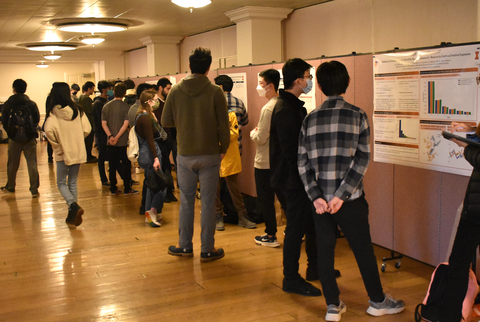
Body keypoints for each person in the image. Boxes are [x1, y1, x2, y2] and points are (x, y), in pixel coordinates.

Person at [298, 60, 405, 321]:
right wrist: (341, 195)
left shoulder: (309, 120)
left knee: (324, 252)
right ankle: (377, 301)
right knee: (362, 249)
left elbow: (302, 163)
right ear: (346, 83)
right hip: (350, 199)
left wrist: (317, 197)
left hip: (321, 202)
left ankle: (333, 306)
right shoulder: (358, 115)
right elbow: (362, 160)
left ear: (320, 86)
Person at [162, 47, 230, 262]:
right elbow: (223, 126)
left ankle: (184, 245)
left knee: (186, 201)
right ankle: (208, 249)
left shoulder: (175, 90)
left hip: (185, 154)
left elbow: (165, 121)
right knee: (209, 202)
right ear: (209, 67)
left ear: (189, 66)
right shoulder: (215, 91)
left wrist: (183, 121)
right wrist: (223, 149)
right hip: (210, 154)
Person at [269, 58, 320, 297]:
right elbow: (292, 153)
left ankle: (314, 268)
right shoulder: (285, 110)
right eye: (308, 77)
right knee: (295, 229)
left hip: (296, 178)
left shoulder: (291, 106)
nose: (310, 81)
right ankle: (290, 277)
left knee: (309, 224)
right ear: (298, 80)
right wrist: (306, 180)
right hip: (293, 180)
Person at [438, 121, 480, 322]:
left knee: (458, 265)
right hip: (473, 206)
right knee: (458, 265)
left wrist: (466, 147)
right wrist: (471, 130)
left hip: (475, 211)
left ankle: (449, 317)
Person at [44, 82, 91, 228]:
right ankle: (73, 215)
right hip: (77, 151)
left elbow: (48, 132)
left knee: (60, 183)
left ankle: (73, 206)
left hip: (63, 153)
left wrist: (58, 147)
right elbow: (87, 129)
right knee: (72, 182)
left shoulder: (53, 114)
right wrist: (76, 140)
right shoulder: (78, 111)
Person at [214, 98, 256, 231]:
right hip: (213, 157)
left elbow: (234, 134)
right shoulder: (209, 116)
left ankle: (242, 216)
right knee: (214, 190)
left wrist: (220, 132)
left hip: (230, 156)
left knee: (235, 189)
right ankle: (218, 217)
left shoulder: (230, 114)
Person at [251, 69, 282, 247]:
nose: (259, 87)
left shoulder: (268, 108)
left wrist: (252, 134)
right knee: (283, 198)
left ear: (270, 86)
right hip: (278, 162)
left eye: (261, 83)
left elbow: (261, 137)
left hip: (264, 163)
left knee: (267, 200)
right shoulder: (282, 104)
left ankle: (271, 236)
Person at [1, 79, 40, 197]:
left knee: (13, 163)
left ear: (14, 89)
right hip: (29, 138)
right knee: (32, 164)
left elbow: (4, 120)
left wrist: (11, 133)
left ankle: (11, 186)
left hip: (14, 138)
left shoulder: (8, 104)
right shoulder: (31, 104)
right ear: (25, 89)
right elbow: (37, 119)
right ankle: (34, 190)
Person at [135, 89, 168, 227]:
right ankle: (151, 211)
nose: (157, 102)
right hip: (149, 152)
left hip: (147, 152)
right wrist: (155, 158)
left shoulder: (142, 116)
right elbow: (150, 139)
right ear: (149, 101)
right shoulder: (145, 118)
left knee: (152, 184)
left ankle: (151, 212)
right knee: (157, 185)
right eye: (155, 99)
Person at [101, 82, 138, 195]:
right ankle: (127, 188)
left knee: (112, 165)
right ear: (125, 93)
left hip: (110, 142)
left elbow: (103, 124)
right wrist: (117, 137)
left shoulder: (106, 106)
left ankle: (113, 187)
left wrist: (111, 137)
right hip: (122, 141)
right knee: (126, 165)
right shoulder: (126, 107)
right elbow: (125, 124)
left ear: (114, 91)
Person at [154, 77, 177, 203]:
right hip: (161, 139)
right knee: (164, 165)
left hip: (169, 138)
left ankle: (169, 190)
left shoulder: (167, 102)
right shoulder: (155, 104)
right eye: (167, 88)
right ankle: (166, 192)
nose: (169, 91)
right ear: (160, 88)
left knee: (167, 165)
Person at [214, 74, 248, 155]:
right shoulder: (240, 103)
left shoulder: (214, 102)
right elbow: (245, 121)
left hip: (219, 147)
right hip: (236, 146)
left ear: (220, 87)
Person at [93, 80, 113, 186]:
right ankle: (103, 179)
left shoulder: (109, 101)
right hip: (102, 133)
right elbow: (99, 121)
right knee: (102, 156)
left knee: (113, 156)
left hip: (110, 132)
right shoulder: (98, 103)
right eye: (109, 88)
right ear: (104, 89)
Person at [78, 81, 97, 163]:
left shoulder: (80, 98)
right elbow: (89, 111)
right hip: (89, 122)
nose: (93, 90)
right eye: (92, 88)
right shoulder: (87, 99)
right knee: (89, 141)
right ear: (89, 88)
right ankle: (88, 156)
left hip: (82, 122)